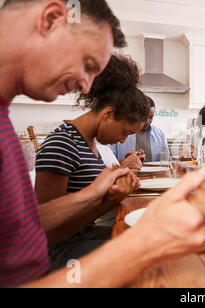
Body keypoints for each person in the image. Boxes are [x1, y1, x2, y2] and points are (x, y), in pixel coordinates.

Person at [1, 0, 205, 288]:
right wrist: (142, 242)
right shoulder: (55, 142)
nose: (85, 87)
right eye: (88, 65)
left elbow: (22, 230)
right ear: (51, 19)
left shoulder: (6, 124)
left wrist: (105, 200)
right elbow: (36, 241)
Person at [34, 54, 150, 269]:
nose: (123, 140)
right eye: (125, 132)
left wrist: (114, 195)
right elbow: (43, 231)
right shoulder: (62, 144)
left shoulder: (91, 143)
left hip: (84, 236)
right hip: (59, 254)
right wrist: (109, 201)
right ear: (108, 114)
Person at [110, 96, 169, 163]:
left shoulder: (160, 134)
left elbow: (166, 161)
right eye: (145, 117)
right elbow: (109, 163)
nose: (147, 121)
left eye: (151, 117)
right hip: (126, 173)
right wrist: (126, 161)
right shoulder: (120, 133)